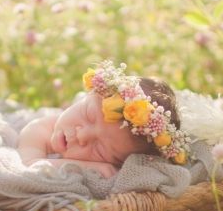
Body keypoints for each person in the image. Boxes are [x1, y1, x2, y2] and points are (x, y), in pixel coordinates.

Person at [17, 60, 189, 178]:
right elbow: (30, 166)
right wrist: (87, 167)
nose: (82, 135)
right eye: (88, 115)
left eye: (99, 149)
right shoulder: (43, 128)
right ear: (88, 95)